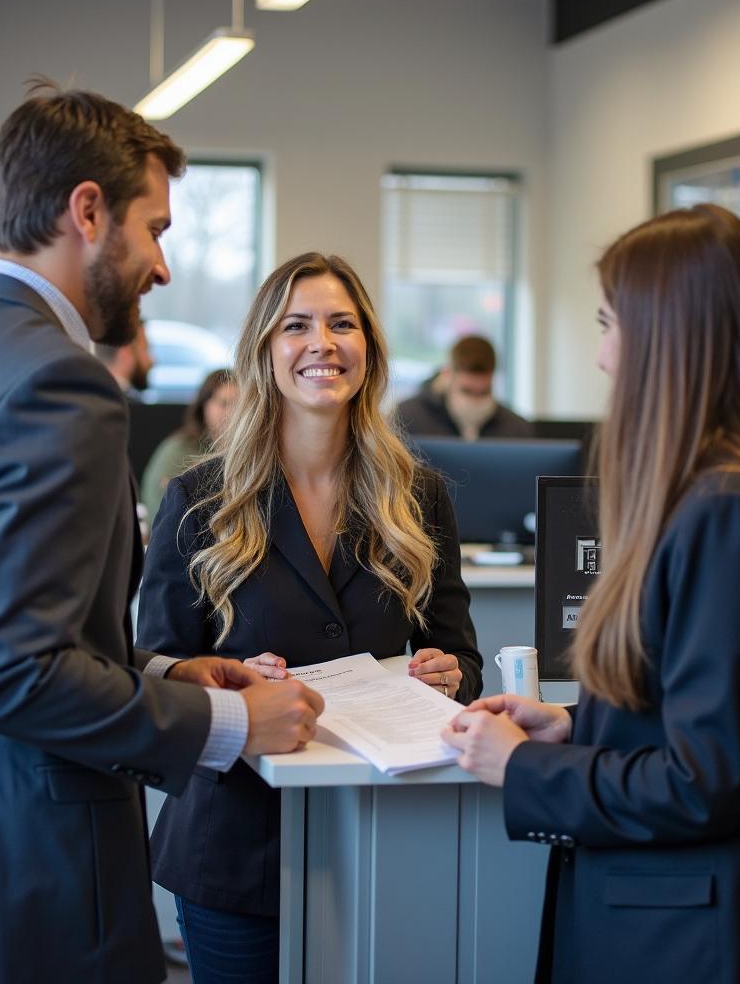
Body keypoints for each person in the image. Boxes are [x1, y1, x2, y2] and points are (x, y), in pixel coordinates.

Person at [0, 83, 323, 984]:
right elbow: (12, 674)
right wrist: (229, 721)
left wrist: (158, 671)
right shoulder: (60, 385)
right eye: (156, 229)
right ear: (88, 211)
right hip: (27, 869)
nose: (161, 268)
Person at [442, 205, 740, 983]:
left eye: (610, 322)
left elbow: (702, 780)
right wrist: (574, 724)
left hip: (700, 937)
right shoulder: (729, 496)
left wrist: (522, 768)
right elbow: (712, 714)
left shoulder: (731, 515)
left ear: (671, 336)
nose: (603, 356)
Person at [138, 251, 484, 983]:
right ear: (264, 351)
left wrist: (449, 675)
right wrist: (223, 685)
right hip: (236, 845)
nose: (322, 343)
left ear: (370, 349)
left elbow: (461, 657)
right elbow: (155, 663)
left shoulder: (419, 496)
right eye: (296, 326)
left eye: (342, 324)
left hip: (389, 837)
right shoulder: (200, 497)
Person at [140, 368, 237, 525]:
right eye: (224, 403)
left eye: (239, 404)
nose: (233, 413)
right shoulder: (177, 451)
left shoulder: (245, 452)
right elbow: (163, 516)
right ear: (204, 406)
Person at [396, 334, 532, 440]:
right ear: (447, 375)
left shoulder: (517, 429)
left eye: (484, 392)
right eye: (467, 391)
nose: (475, 400)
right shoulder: (407, 419)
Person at [94, 317, 154, 400]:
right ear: (126, 351)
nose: (153, 361)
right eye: (146, 349)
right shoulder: (129, 408)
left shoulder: (88, 399)